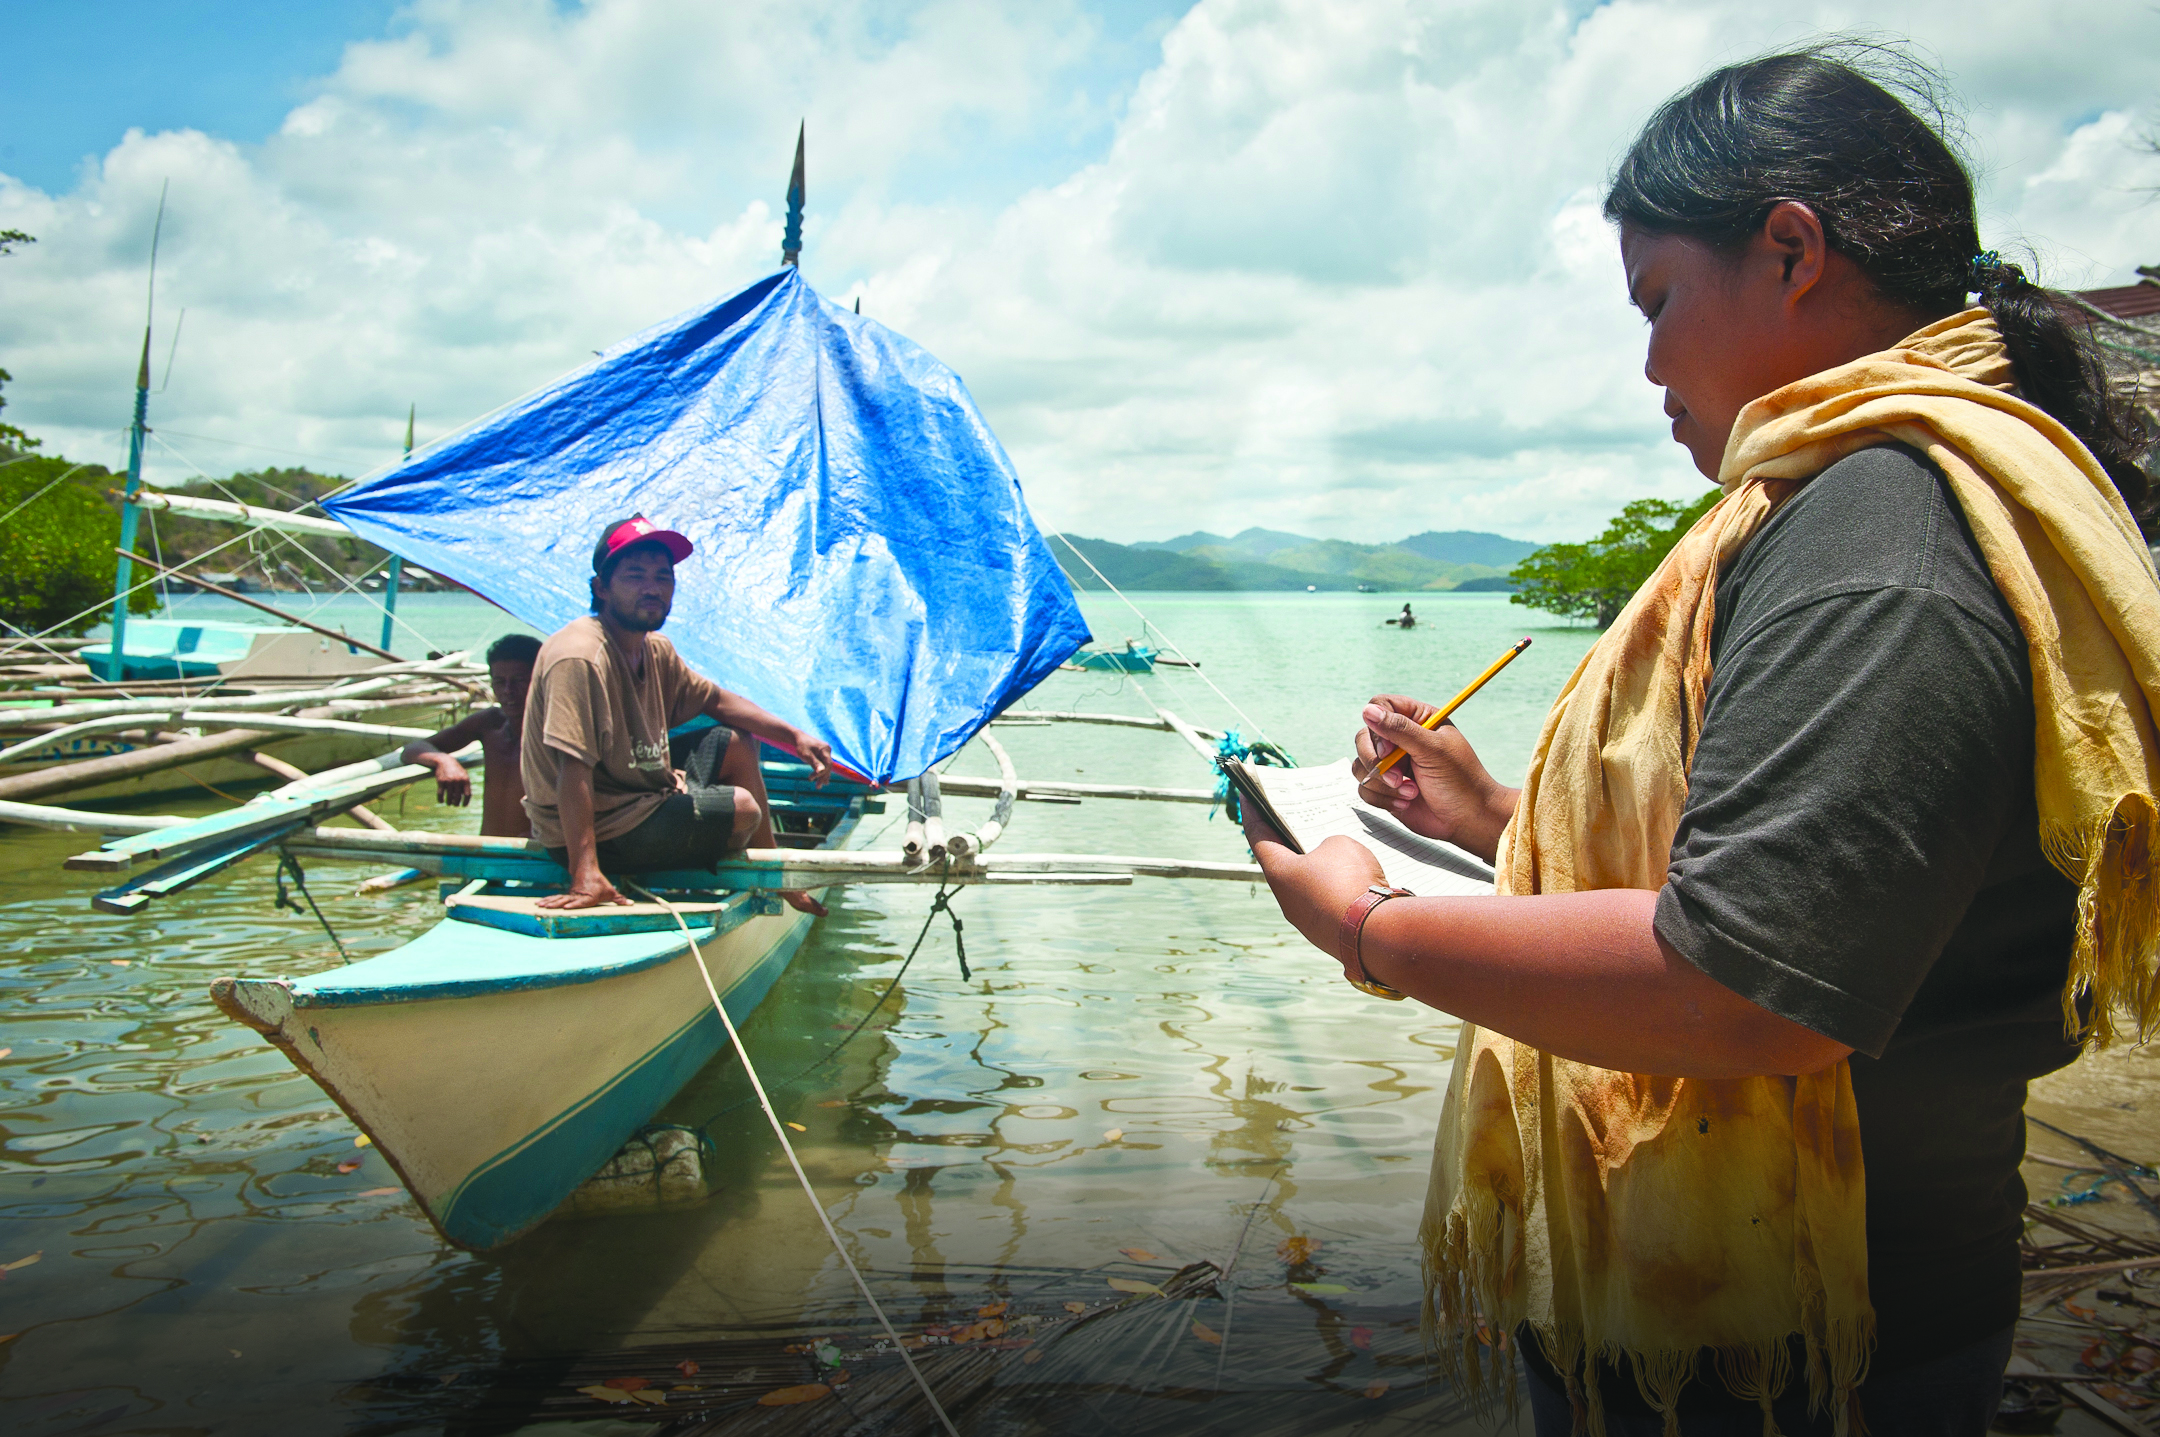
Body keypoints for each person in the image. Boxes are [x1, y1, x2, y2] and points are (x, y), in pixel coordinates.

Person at [1244, 45, 2159, 1437]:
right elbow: (1836, 867)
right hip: (1811, 1311)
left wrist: (1367, 925)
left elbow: (1753, 988)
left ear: (1791, 251)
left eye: (1660, 301)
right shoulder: (1864, 498)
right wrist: (1495, 818)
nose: (1652, 362)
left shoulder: (1881, 527)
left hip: (1804, 1342)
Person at [522, 515, 835, 914]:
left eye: (663, 578)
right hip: (595, 830)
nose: (652, 589)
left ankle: (772, 873)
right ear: (601, 588)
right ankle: (603, 870)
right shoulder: (581, 656)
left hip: (638, 793)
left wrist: (794, 737)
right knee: (742, 809)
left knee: (737, 744)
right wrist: (584, 873)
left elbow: (716, 701)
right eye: (635, 576)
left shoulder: (655, 650)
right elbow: (572, 769)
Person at [401, 633, 540, 838]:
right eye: (500, 682)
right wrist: (443, 760)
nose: (508, 691)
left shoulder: (555, 733)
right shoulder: (491, 723)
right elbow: (412, 749)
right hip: (488, 853)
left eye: (519, 681)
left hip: (538, 857)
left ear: (540, 680)